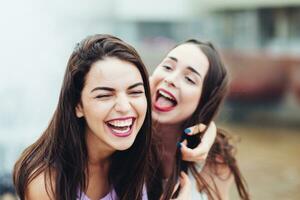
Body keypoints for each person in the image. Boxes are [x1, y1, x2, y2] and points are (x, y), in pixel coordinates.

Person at [13, 34, 154, 200]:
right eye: (104, 95)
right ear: (77, 105)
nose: (124, 107)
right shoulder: (46, 181)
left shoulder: (140, 153)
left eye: (135, 92)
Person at [147, 39, 250, 200]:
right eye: (167, 67)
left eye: (189, 79)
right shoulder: (122, 135)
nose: (171, 79)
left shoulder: (216, 162)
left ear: (204, 100)